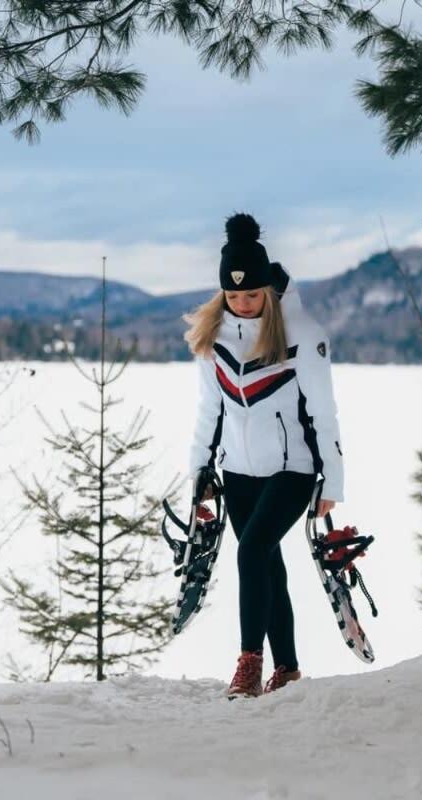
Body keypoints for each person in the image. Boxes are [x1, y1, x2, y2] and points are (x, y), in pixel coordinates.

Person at [182, 211, 346, 699]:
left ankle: (249, 662)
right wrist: (198, 473)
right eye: (233, 296)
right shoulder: (215, 337)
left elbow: (324, 413)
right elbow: (209, 410)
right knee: (266, 562)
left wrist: (331, 483)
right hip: (238, 471)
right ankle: (289, 668)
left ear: (268, 289)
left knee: (251, 551)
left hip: (292, 469)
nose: (243, 303)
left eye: (251, 294)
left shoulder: (301, 332)